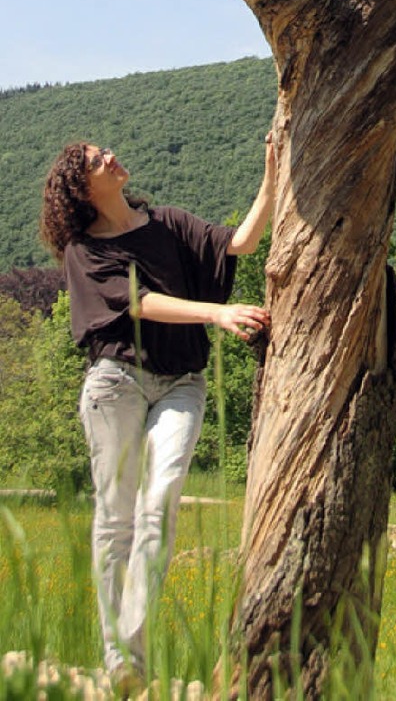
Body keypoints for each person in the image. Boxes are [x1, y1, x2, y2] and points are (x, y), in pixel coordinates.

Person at [40, 138, 275, 695]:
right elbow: (138, 301)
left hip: (182, 383)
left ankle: (131, 643)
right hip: (116, 383)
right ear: (82, 187)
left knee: (161, 497)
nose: (111, 157)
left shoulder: (167, 223)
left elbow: (240, 243)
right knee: (115, 519)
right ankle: (121, 658)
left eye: (105, 151)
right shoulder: (83, 249)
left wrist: (270, 177)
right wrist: (217, 313)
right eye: (97, 160)